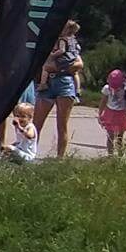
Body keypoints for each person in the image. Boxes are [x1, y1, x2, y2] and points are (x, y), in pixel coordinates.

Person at [33, 19, 83, 157]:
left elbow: (79, 64)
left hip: (64, 81)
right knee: (36, 123)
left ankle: (60, 158)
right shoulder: (48, 41)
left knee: (62, 124)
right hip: (48, 82)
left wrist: (57, 68)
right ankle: (30, 153)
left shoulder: (69, 42)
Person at [98, 68, 126, 154]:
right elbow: (103, 101)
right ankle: (110, 154)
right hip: (110, 113)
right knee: (110, 136)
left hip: (121, 113)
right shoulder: (107, 88)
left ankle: (120, 154)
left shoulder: (125, 89)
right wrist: (100, 113)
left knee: (120, 136)